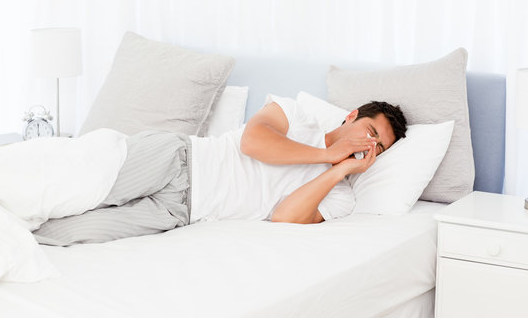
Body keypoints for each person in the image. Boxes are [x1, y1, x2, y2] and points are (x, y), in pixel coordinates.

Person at [33, 95, 407, 246]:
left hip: (181, 212)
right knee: (70, 191)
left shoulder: (340, 194)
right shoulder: (295, 115)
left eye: (379, 147)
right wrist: (326, 155)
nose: (368, 145)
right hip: (178, 160)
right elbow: (253, 143)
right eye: (370, 132)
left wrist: (336, 171)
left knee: (67, 234)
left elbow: (284, 217)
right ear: (352, 115)